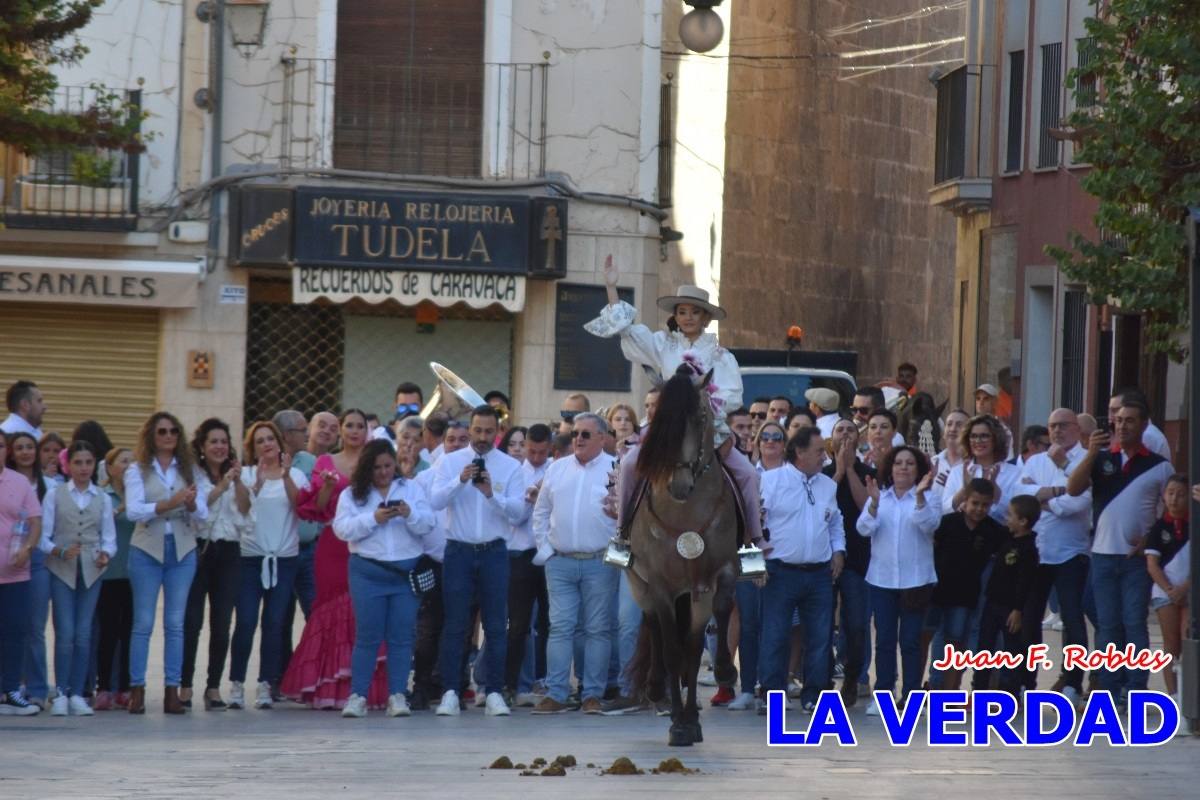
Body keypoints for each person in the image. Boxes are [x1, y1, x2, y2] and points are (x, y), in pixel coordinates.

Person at [586, 255, 763, 549]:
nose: (688, 317)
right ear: (676, 316)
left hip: (707, 429)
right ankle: (623, 534)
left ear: (706, 318)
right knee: (630, 465)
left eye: (695, 312)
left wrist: (704, 408)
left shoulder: (722, 356)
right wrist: (612, 288)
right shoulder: (663, 345)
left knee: (748, 475)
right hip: (665, 429)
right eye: (682, 312)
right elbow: (628, 331)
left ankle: (752, 544)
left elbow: (734, 396)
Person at [1067, 399, 1174, 700]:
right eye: (1119, 419)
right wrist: (1090, 453)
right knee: (1108, 625)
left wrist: (1150, 539)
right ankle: (1109, 689)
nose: (1122, 425)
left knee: (1133, 622)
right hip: (1101, 555)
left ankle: (1135, 688)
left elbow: (1171, 508)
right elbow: (1074, 488)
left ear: (1143, 424)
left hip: (1135, 560)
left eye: (1130, 420)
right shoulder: (1101, 460)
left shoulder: (1158, 465)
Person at [428, 405, 526, 717]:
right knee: (456, 624)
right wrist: (460, 480)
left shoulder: (510, 466)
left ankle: (494, 690)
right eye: (478, 431)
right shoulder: (451, 461)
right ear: (470, 430)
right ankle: (451, 691)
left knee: (497, 625)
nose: (482, 437)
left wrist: (489, 493)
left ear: (497, 432)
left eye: (488, 431)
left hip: (495, 552)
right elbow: (435, 500)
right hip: (458, 551)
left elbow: (518, 512)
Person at [281, 409, 380, 709]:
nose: (352, 430)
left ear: (367, 431)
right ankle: (329, 686)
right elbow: (314, 508)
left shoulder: (376, 462)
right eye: (346, 426)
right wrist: (325, 486)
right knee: (331, 608)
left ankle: (361, 687)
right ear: (340, 432)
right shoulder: (326, 462)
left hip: (369, 544)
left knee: (363, 611)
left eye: (358, 426)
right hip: (332, 545)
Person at [334, 440, 435, 718]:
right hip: (368, 571)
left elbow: (428, 524)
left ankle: (398, 694)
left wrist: (409, 513)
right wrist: (373, 518)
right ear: (368, 467)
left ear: (395, 464)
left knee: (402, 636)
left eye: (388, 466)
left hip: (405, 572)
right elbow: (341, 529)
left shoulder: (411, 489)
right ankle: (358, 696)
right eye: (377, 467)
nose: (383, 472)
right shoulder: (353, 495)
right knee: (368, 635)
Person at [530, 413, 619, 715]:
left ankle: (592, 693)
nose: (577, 439)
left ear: (603, 438)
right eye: (575, 434)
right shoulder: (556, 469)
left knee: (597, 629)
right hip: (561, 561)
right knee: (561, 628)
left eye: (585, 434)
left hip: (600, 562)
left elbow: (628, 519)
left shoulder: (616, 469)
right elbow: (541, 511)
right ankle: (556, 692)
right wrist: (545, 549)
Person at [124, 411, 209, 714]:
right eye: (162, 431)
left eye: (174, 431)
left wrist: (190, 505)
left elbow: (203, 514)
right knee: (143, 623)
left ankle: (173, 691)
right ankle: (137, 690)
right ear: (151, 435)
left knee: (176, 623)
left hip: (182, 547)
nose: (168, 436)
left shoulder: (189, 469)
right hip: (147, 547)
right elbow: (134, 511)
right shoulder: (137, 470)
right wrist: (168, 504)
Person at [758, 428, 844, 714]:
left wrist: (838, 551)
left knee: (820, 637)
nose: (824, 456)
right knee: (775, 635)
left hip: (819, 573)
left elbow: (835, 522)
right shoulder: (770, 481)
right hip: (780, 571)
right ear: (800, 452)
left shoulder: (827, 486)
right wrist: (758, 563)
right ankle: (772, 695)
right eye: (819, 451)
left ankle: (814, 697)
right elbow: (754, 523)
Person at [228, 421, 308, 710]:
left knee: (274, 623)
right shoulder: (247, 474)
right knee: (247, 621)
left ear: (279, 442)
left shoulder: (295, 474)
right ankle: (236, 683)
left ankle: (266, 683)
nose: (266, 444)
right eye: (260, 440)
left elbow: (301, 506)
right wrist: (254, 485)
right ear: (253, 447)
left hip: (284, 559)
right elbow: (242, 509)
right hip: (251, 559)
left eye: (270, 438)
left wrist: (285, 477)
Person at [1012, 408, 1091, 701]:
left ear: (1077, 429)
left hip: (1072, 552)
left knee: (1072, 619)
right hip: (1037, 551)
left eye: (1063, 425)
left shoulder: (1085, 460)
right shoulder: (1036, 461)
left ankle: (1072, 683)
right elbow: (1018, 498)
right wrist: (1059, 493)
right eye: (1052, 426)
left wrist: (1045, 500)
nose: (1057, 431)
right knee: (1029, 620)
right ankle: (1024, 682)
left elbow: (1079, 504)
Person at [857, 446, 938, 714]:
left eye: (910, 464)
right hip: (882, 579)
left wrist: (918, 498)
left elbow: (928, 525)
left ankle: (912, 696)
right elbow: (863, 529)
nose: (903, 468)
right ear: (890, 468)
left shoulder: (929, 497)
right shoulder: (881, 498)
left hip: (917, 580)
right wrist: (874, 503)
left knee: (912, 641)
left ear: (919, 470)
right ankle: (884, 694)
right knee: (885, 640)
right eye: (898, 463)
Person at [42, 441, 116, 716]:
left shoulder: (103, 498)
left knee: (84, 634)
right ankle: (61, 691)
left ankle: (78, 692)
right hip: (62, 569)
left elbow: (109, 538)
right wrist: (58, 551)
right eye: (77, 463)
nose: (83, 468)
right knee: (66, 633)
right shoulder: (55, 495)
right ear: (68, 465)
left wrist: (106, 553)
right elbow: (44, 537)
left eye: (87, 463)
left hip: (91, 571)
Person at [179, 419, 244, 711]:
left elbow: (245, 509)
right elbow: (199, 508)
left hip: (229, 552)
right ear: (202, 448)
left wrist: (239, 481)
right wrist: (223, 485)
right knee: (191, 622)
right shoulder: (193, 474)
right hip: (200, 550)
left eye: (223, 441)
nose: (219, 447)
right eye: (213, 442)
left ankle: (213, 687)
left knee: (221, 624)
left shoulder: (235, 475)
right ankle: (185, 685)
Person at [410, 420, 470, 710]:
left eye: (462, 440)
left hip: (464, 563)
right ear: (441, 442)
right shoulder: (424, 479)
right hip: (433, 562)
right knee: (428, 628)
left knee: (460, 628)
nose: (456, 445)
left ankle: (454, 686)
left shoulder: (475, 478)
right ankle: (422, 685)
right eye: (451, 439)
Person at [924, 479, 1004, 691]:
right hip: (938, 592)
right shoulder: (947, 523)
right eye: (974, 503)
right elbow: (929, 544)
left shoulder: (993, 530)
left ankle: (949, 688)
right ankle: (935, 684)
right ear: (964, 501)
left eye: (985, 505)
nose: (979, 509)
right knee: (933, 637)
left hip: (967, 597)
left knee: (956, 640)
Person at [823, 417, 872, 707]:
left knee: (856, 625)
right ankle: (823, 678)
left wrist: (851, 469)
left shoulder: (868, 472)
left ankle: (853, 678)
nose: (845, 435)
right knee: (822, 625)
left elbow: (865, 505)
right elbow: (822, 505)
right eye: (839, 430)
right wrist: (839, 471)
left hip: (858, 559)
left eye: (850, 430)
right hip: (825, 559)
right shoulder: (822, 474)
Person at [971, 496, 1040, 695]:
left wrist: (1018, 610)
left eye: (1010, 515)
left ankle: (1009, 691)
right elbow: (989, 525)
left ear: (1023, 521)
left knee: (1012, 651)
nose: (1006, 518)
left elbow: (1025, 582)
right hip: (992, 602)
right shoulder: (1006, 537)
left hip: (1011, 609)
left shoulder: (1029, 548)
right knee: (985, 647)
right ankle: (980, 689)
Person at [505, 423, 553, 705]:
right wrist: (529, 500)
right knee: (518, 623)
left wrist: (544, 498)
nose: (535, 457)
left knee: (550, 623)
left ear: (549, 447)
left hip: (549, 554)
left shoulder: (557, 470)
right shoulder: (514, 473)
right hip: (521, 555)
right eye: (531, 451)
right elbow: (512, 517)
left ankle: (545, 680)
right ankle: (511, 683)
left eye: (541, 452)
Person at [4, 431, 51, 709]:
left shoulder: (34, 484)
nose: (24, 452)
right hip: (6, 564)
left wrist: (30, 548)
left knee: (25, 629)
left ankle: (24, 688)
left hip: (26, 564)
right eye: (17, 447)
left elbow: (39, 522)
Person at [94, 447, 135, 711]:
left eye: (133, 462)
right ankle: (104, 686)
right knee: (107, 632)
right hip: (109, 573)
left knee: (130, 632)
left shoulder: (139, 494)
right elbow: (97, 524)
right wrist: (122, 508)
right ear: (109, 467)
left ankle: (125, 687)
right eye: (123, 461)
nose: (129, 466)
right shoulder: (102, 495)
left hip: (135, 574)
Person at [1146, 475, 1190, 699]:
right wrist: (1171, 591)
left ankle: (1189, 694)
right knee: (1170, 644)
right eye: (1171, 493)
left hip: (1191, 592)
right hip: (1165, 593)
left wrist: (1185, 588)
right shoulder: (1159, 527)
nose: (1174, 499)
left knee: (1188, 640)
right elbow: (1152, 565)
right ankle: (1173, 695)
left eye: (1181, 494)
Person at [941, 414, 1022, 525]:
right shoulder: (957, 472)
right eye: (973, 436)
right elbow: (944, 511)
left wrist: (995, 489)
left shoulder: (1014, 473)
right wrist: (964, 490)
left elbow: (1018, 516)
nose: (978, 441)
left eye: (984, 436)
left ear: (996, 439)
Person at [974, 385, 1014, 458]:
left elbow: (1008, 457)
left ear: (995, 401)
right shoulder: (971, 427)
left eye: (986, 399)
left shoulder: (1002, 430)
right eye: (978, 399)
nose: (981, 402)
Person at [933, 408, 970, 486]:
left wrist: (952, 485)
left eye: (959, 425)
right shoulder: (933, 462)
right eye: (949, 424)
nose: (953, 429)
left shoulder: (973, 465)